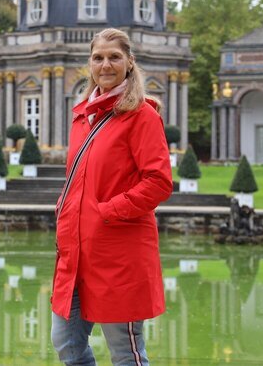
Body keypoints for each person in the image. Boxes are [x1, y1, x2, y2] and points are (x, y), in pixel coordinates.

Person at [51, 28, 173, 366]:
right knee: (66, 343)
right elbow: (77, 179)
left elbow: (159, 181)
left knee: (125, 353)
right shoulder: (83, 117)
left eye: (114, 57)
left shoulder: (142, 116)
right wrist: (65, 210)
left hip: (118, 252)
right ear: (89, 64)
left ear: (130, 62)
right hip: (76, 252)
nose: (106, 64)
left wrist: (108, 211)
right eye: (98, 57)